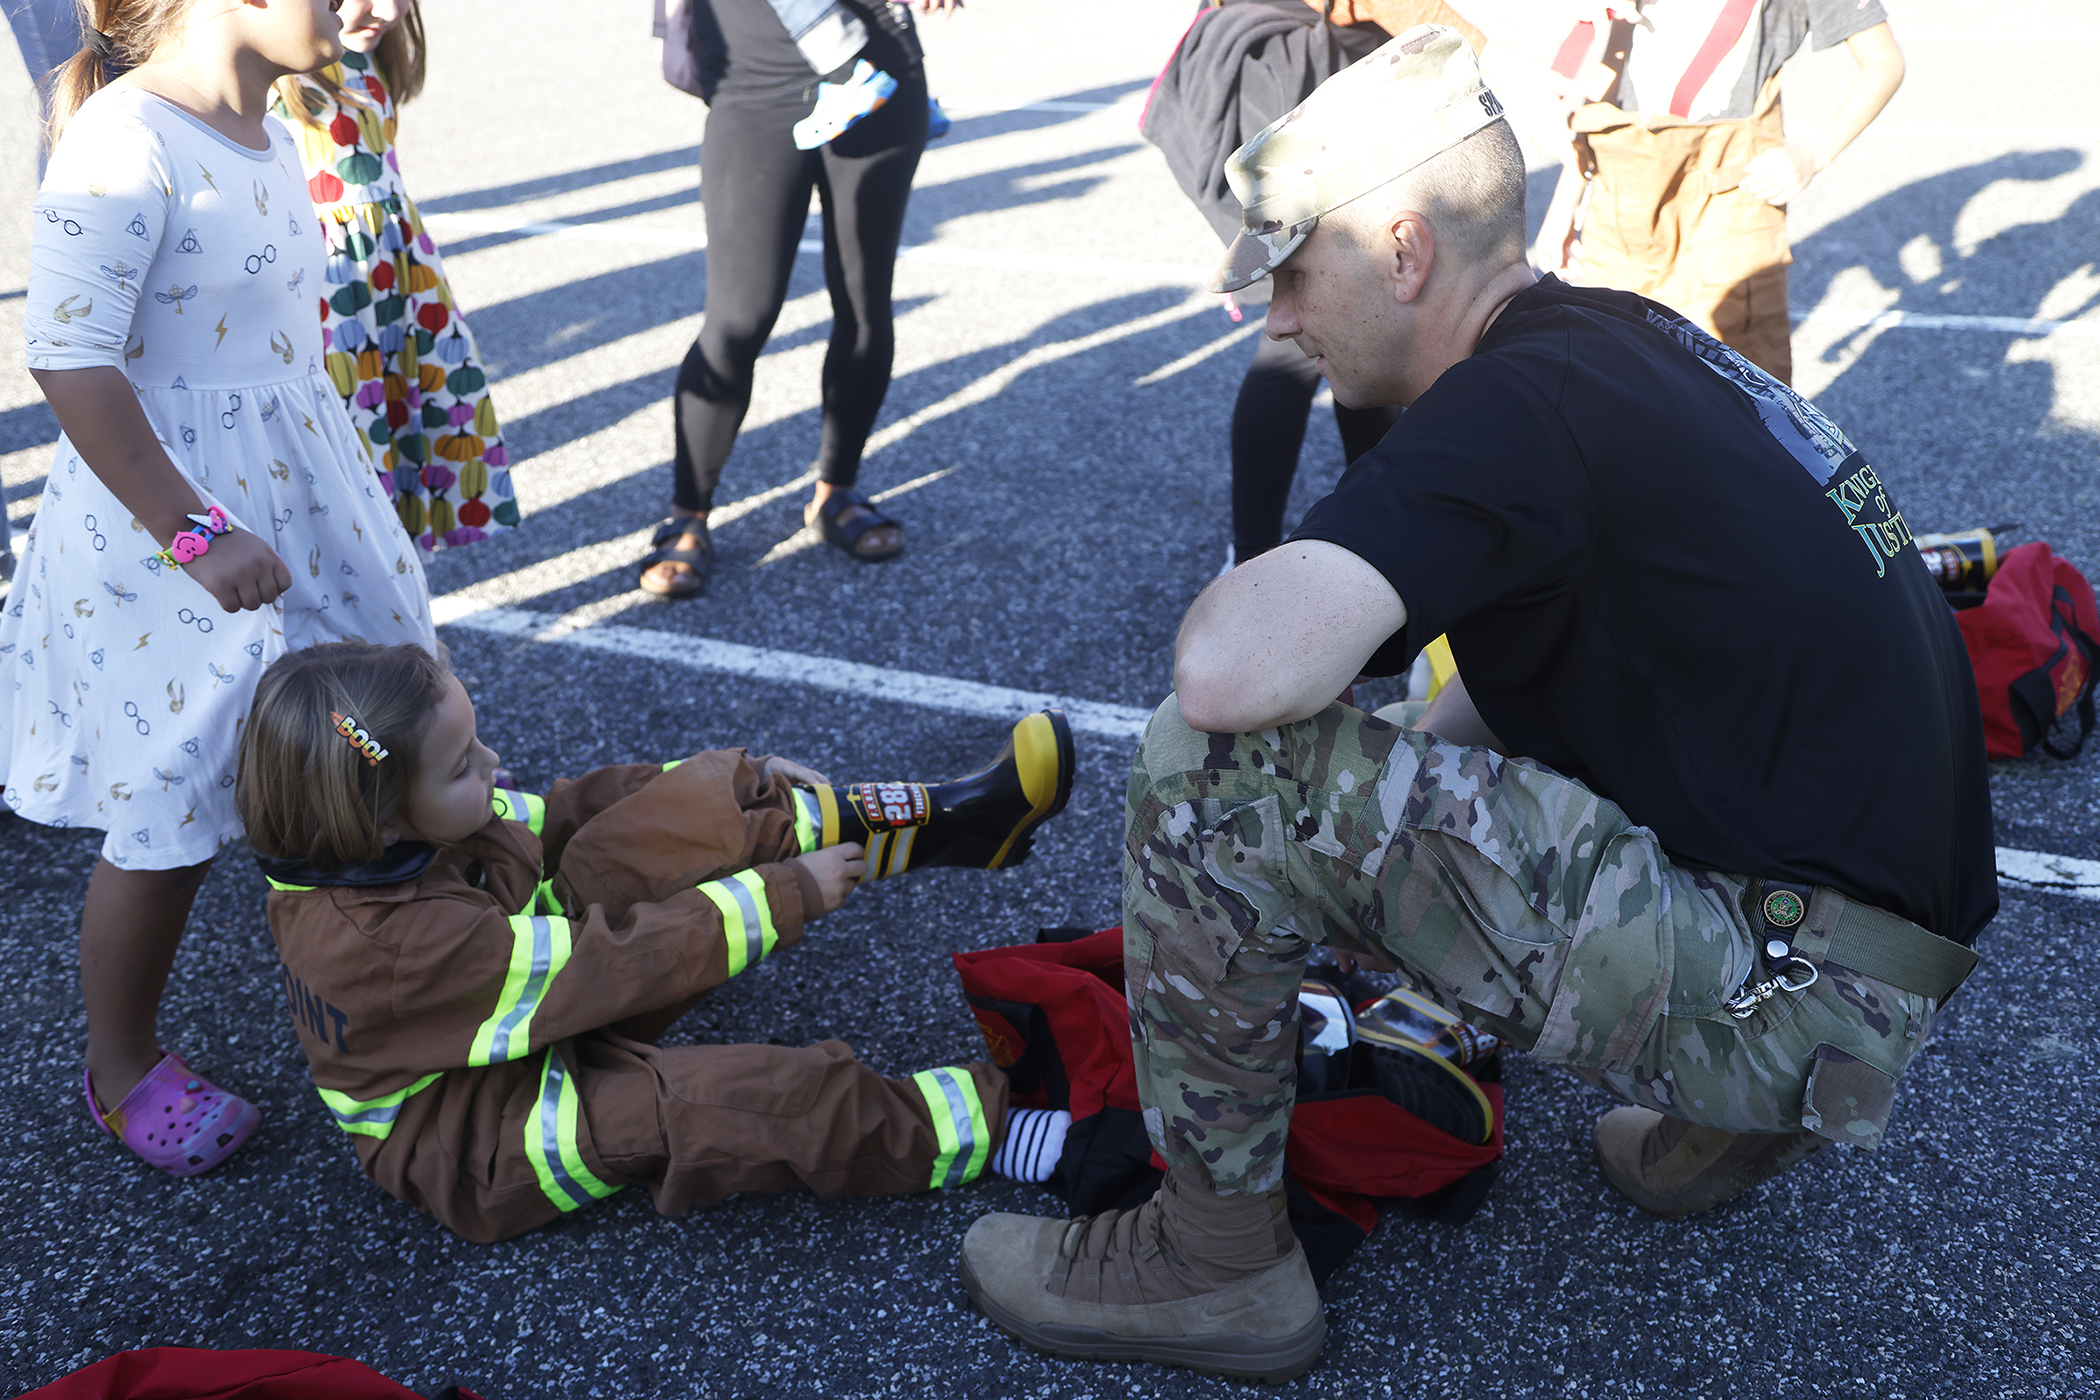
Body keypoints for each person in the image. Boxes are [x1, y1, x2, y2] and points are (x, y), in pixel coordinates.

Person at [955, 27, 1994, 1382]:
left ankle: (1214, 1268)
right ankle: (1722, 1132)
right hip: (1885, 968)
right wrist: (1343, 880)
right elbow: (1514, 695)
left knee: (1211, 775)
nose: (1273, 322)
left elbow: (1224, 681)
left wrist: (1273, 851)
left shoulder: (1507, 412)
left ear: (1403, 250)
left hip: (1788, 982)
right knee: (1360, 776)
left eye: (1291, 273)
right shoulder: (1621, 338)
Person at [2, 0, 436, 1178]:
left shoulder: (271, 117)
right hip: (173, 534)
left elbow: (388, 72)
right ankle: (124, 1063)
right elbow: (68, 353)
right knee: (176, 808)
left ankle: (419, 982)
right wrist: (193, 530)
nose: (357, 7)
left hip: (298, 501)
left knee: (366, 732)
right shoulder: (125, 137)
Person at [235, 641, 1078, 1242]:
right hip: (487, 1135)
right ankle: (1009, 1133)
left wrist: (732, 787)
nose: (491, 763)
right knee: (745, 1098)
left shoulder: (379, 839)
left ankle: (960, 820)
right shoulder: (391, 947)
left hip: (520, 1015)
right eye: (462, 764)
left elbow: (570, 814)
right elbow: (614, 962)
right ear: (378, 819)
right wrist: (786, 896)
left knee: (670, 829)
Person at [639, 0, 951, 597]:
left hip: (878, 74)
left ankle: (837, 491)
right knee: (739, 318)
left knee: (863, 304)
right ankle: (689, 512)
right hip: (753, 89)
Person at [1493, 0, 1905, 384]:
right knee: (1617, 381)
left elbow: (1884, 62)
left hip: (1726, 203)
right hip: (1624, 197)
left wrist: (1814, 153)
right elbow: (1614, 73)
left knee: (1733, 394)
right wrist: (1567, 201)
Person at [271, 0, 516, 553]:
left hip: (394, 279)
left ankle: (387, 583)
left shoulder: (369, 54)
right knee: (344, 442)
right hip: (330, 295)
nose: (391, 8)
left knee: (395, 429)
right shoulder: (276, 73)